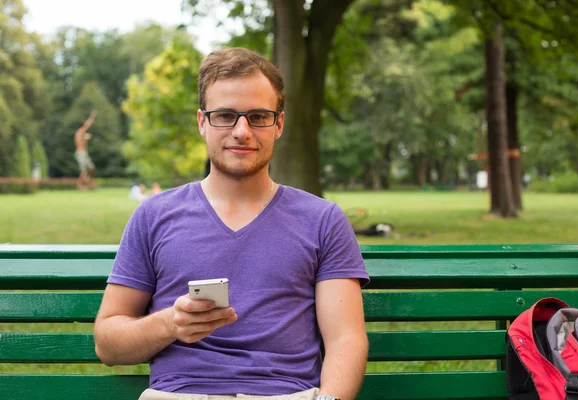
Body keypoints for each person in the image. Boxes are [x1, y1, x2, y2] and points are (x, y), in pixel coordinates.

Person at [93, 48, 370, 400]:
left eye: (258, 116)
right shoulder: (153, 216)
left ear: (279, 124)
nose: (242, 131)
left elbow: (346, 338)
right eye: (225, 115)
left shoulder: (323, 220)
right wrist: (169, 324)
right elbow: (108, 344)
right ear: (202, 122)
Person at [74, 110, 97, 189]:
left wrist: (87, 138)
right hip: (81, 153)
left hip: (84, 153)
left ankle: (89, 183)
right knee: (83, 171)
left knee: (92, 168)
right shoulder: (80, 132)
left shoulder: (81, 134)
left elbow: (84, 138)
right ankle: (79, 186)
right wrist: (92, 116)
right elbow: (87, 125)